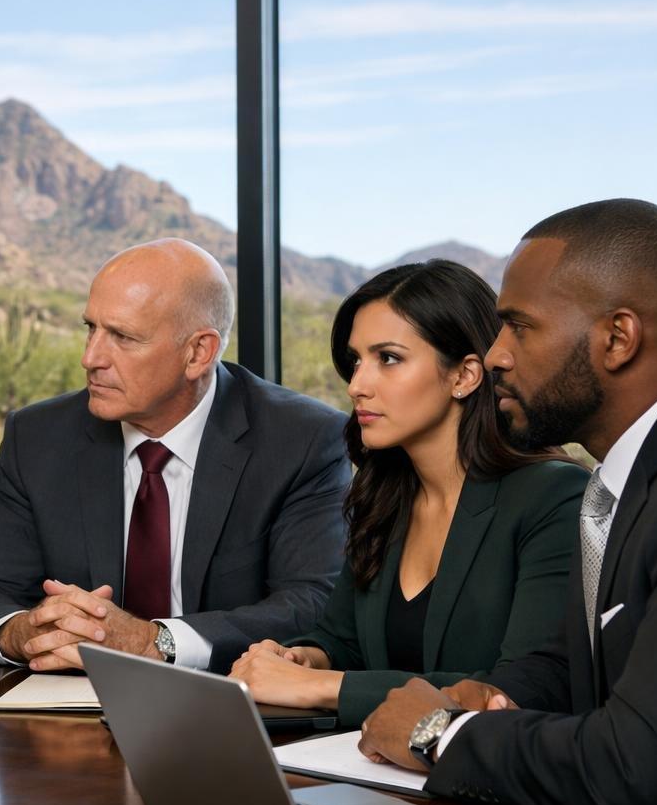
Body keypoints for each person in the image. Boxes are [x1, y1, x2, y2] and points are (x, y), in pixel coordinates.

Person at [358, 199, 657, 805]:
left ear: (618, 338)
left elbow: (640, 770)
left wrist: (436, 734)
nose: (499, 352)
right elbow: (573, 663)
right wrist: (485, 692)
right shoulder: (635, 475)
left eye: (521, 325)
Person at [0, 238, 350, 674]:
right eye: (90, 328)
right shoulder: (39, 436)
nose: (90, 357)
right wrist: (26, 631)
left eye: (122, 336)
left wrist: (153, 642)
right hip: (62, 712)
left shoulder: (302, 440)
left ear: (198, 353)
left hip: (228, 712)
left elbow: (312, 606)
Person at [229, 261, 585, 727]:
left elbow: (526, 686)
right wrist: (301, 660)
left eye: (388, 358)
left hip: (481, 788)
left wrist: (320, 686)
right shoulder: (384, 498)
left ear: (464, 375)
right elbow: (343, 640)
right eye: (356, 360)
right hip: (367, 771)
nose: (357, 385)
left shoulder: (553, 497)